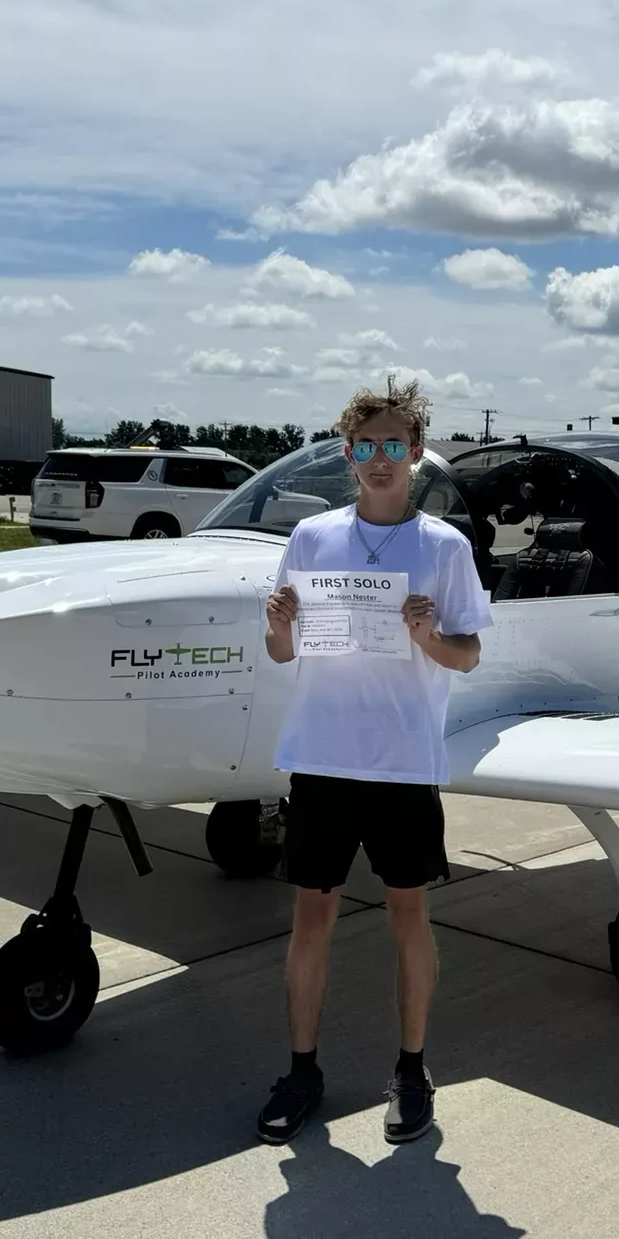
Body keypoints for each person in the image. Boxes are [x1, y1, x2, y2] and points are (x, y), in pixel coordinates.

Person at [256, 376, 492, 1146]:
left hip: (401, 763)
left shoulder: (444, 546)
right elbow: (283, 651)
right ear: (348, 454)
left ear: (416, 454)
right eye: (366, 446)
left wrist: (428, 637)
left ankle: (412, 1070)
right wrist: (279, 624)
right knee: (311, 918)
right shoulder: (311, 538)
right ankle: (301, 1071)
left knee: (408, 915)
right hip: (322, 759)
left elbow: (468, 654)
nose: (381, 458)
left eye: (395, 444)